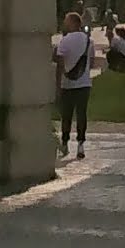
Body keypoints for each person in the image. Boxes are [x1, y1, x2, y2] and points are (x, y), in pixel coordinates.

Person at [49, 10, 98, 156]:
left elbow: (60, 65)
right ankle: (81, 145)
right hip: (84, 84)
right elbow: (92, 63)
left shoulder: (65, 41)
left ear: (72, 23)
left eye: (66, 21)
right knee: (81, 114)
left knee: (67, 115)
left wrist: (58, 85)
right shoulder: (89, 41)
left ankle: (65, 143)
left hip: (68, 84)